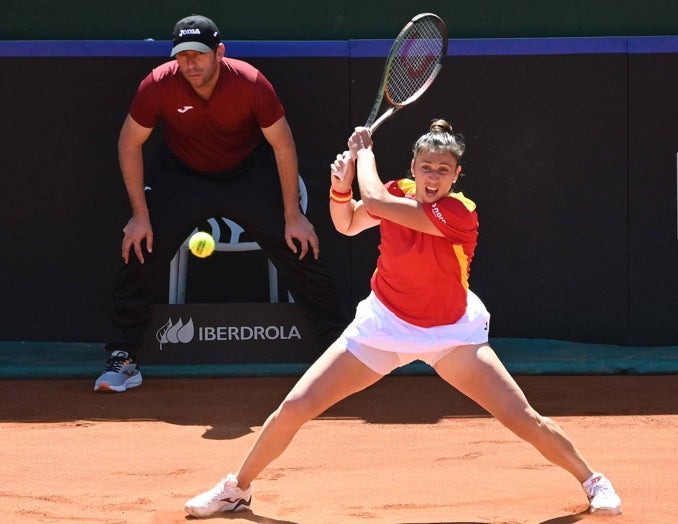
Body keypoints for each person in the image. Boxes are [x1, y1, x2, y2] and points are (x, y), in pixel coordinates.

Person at [183, 119, 623, 517]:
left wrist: (365, 153)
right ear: (413, 166)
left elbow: (373, 198)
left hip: (451, 334)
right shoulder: (397, 191)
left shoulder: (460, 213)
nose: (433, 177)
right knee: (294, 407)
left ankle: (592, 480)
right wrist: (341, 185)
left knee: (522, 417)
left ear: (457, 175)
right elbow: (349, 223)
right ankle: (236, 489)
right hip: (383, 327)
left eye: (443, 169)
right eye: (426, 167)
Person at [94, 14, 347, 393]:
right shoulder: (158, 85)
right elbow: (128, 143)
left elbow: (283, 143)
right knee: (139, 245)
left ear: (219, 52)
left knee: (299, 242)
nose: (189, 64)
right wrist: (139, 215)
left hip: (247, 173)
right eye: (181, 56)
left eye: (198, 54)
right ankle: (123, 358)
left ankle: (336, 349)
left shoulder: (251, 83)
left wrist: (293, 215)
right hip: (181, 176)